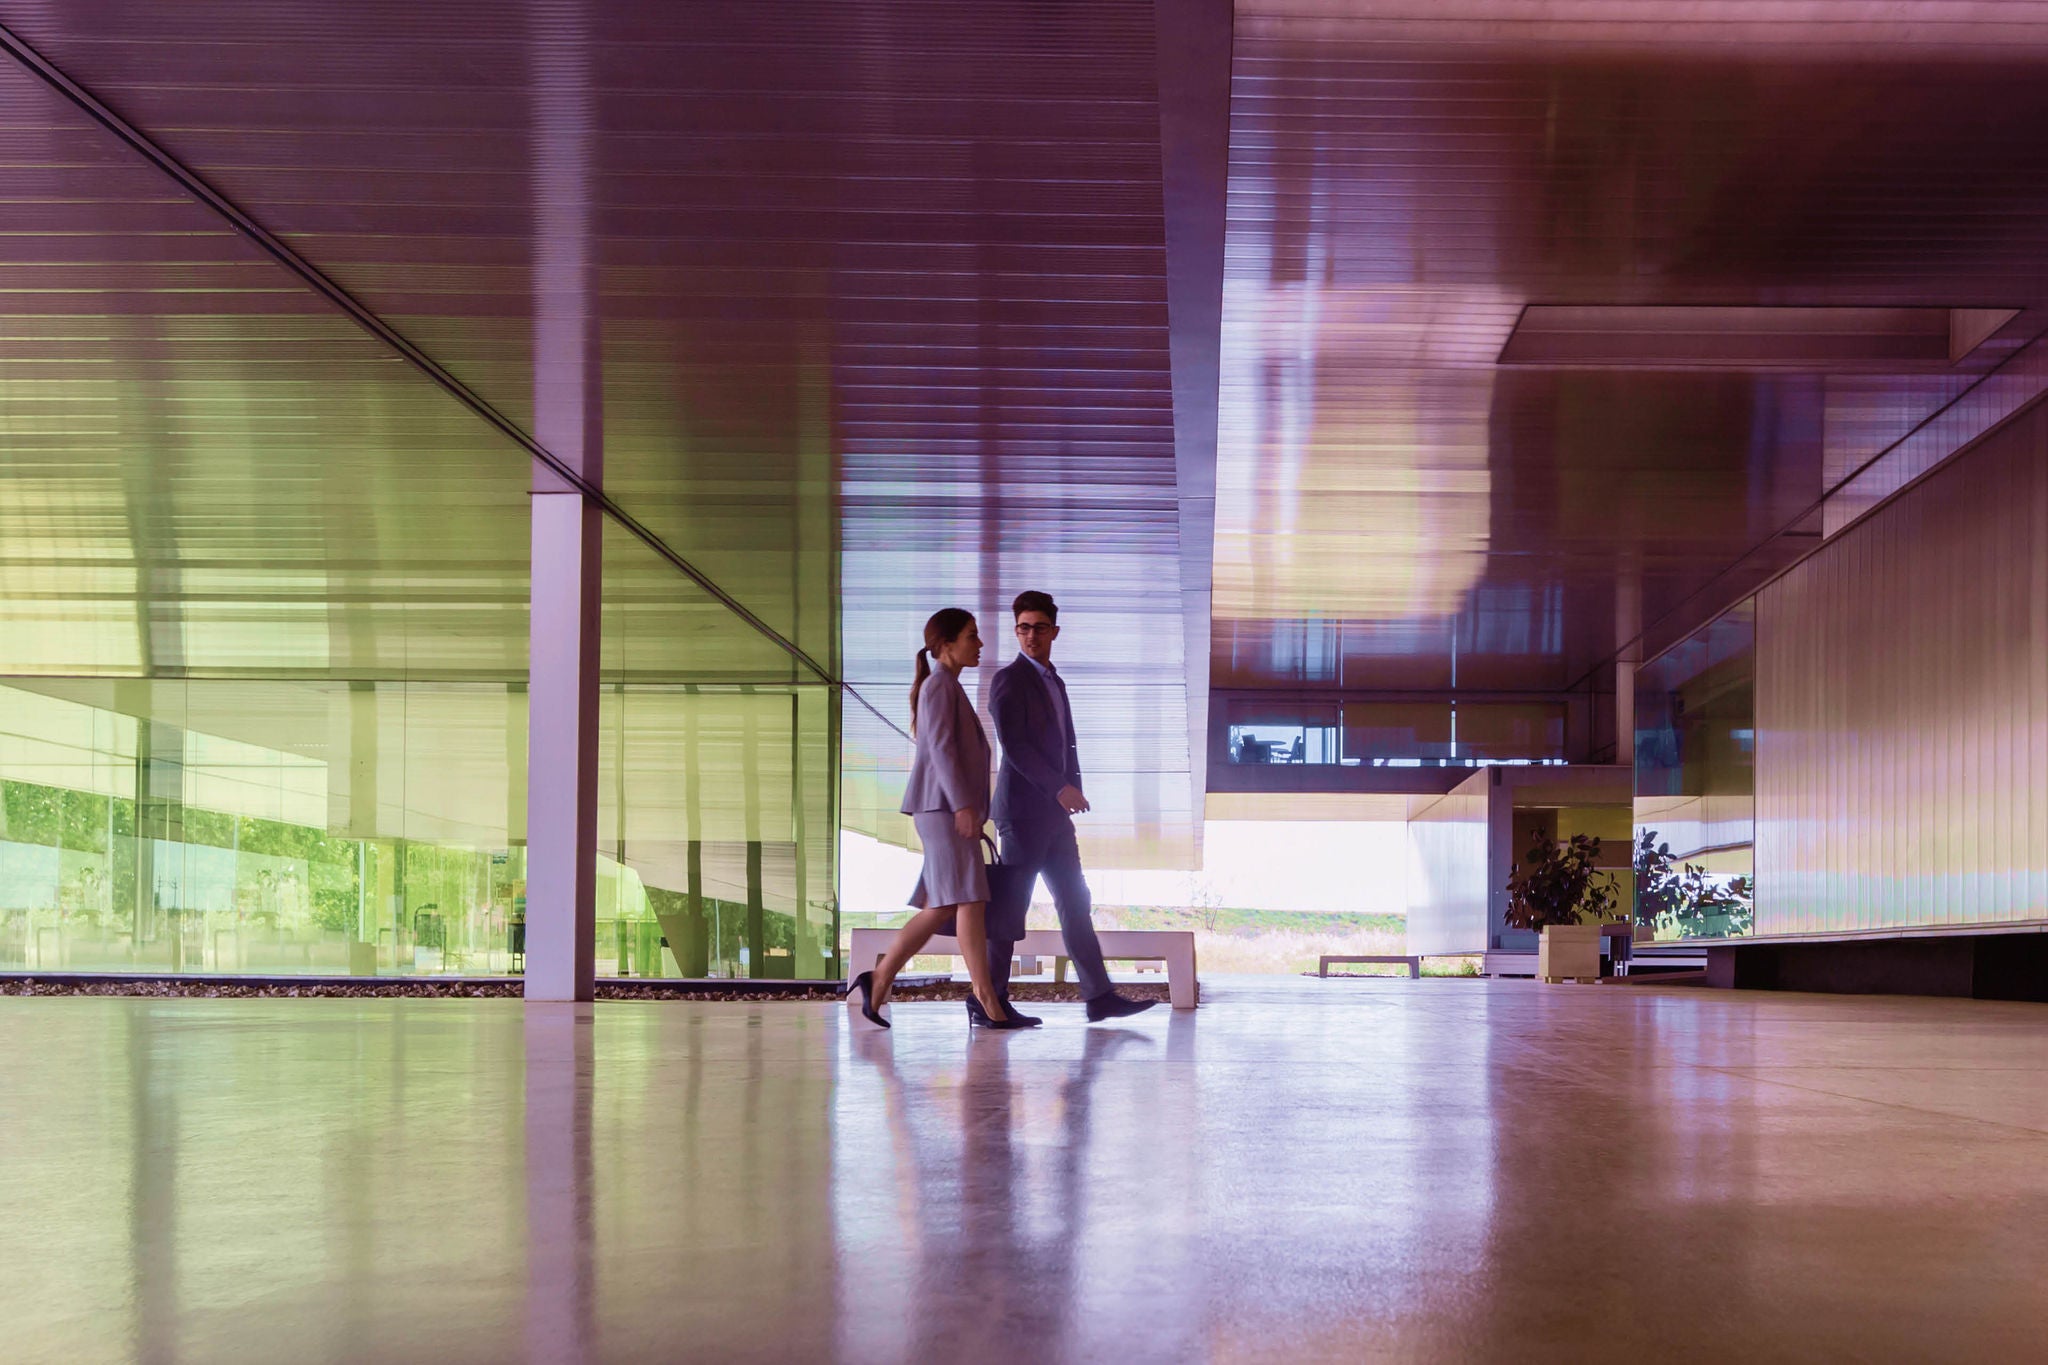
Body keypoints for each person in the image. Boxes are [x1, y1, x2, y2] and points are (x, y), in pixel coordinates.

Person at [850, 608, 1030, 1030]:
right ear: (946, 644)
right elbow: (942, 750)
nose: (980, 644)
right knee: (967, 900)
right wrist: (963, 805)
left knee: (948, 903)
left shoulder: (947, 685)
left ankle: (880, 978)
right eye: (971, 635)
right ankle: (986, 998)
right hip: (944, 808)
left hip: (946, 808)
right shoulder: (938, 686)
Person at [986, 590, 1157, 1022]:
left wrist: (1070, 790)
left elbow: (1065, 744)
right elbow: (1014, 746)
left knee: (1076, 900)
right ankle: (988, 1000)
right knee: (1011, 910)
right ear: (1016, 632)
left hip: (1054, 816)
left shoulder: (1054, 681)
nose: (1031, 636)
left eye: (1039, 628)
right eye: (1024, 628)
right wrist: (1059, 787)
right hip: (1022, 814)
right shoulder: (1009, 680)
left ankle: (1099, 997)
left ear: (1054, 632)